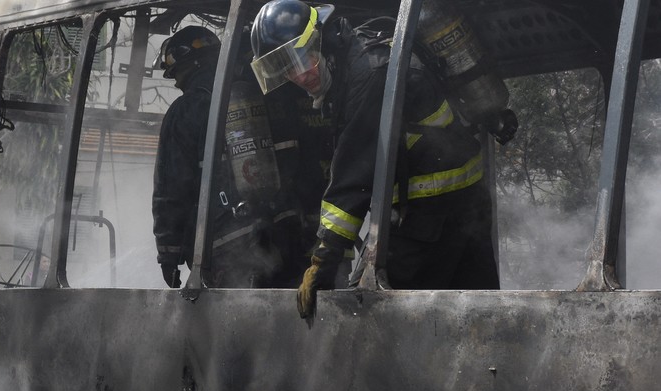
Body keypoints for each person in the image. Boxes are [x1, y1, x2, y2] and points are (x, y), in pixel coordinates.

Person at [249, 0, 501, 317]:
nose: (298, 75)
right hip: (462, 205)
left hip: (430, 211)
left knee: (366, 312)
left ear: (320, 39)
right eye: (285, 68)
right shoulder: (356, 61)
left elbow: (353, 175)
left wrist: (323, 259)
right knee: (477, 314)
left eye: (301, 59)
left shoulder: (368, 75)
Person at [151, 26, 305, 289]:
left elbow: (172, 187)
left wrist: (168, 253)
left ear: (193, 64)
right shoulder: (265, 95)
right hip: (284, 234)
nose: (175, 82)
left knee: (233, 326)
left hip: (224, 247)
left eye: (176, 73)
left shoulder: (185, 110)